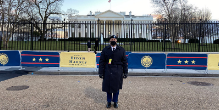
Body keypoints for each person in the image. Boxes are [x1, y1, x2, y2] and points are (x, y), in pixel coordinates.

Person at [99, 35, 128, 108]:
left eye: (114, 39)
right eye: (112, 39)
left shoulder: (121, 50)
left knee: (116, 88)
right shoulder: (105, 49)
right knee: (108, 88)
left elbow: (124, 61)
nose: (113, 40)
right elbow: (102, 61)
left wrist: (125, 72)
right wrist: (101, 72)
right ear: (109, 41)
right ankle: (109, 101)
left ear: (116, 41)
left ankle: (115, 101)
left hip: (118, 71)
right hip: (108, 70)